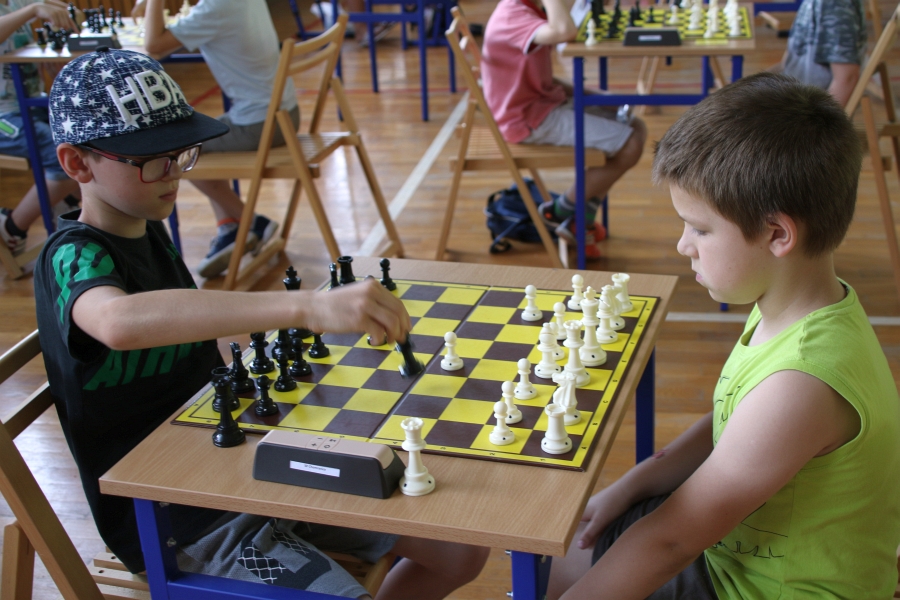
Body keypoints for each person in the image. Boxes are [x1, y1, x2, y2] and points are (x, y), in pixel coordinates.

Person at [35, 47, 488, 598]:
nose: (175, 174)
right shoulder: (73, 255)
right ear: (78, 164)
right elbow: (117, 322)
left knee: (462, 548)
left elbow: (187, 335)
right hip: (177, 514)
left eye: (181, 154)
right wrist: (305, 308)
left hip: (244, 461)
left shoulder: (147, 228)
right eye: (152, 161)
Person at [547, 72, 900, 600]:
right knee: (563, 554)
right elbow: (733, 423)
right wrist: (630, 486)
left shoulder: (801, 382)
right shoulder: (795, 303)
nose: (682, 245)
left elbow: (672, 542)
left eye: (700, 229)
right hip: (731, 556)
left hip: (765, 589)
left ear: (777, 234)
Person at [132, 0, 300, 279]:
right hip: (284, 114)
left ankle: (252, 222)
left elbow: (153, 45)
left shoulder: (216, 8)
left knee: (180, 150)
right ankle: (230, 227)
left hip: (261, 124)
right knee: (199, 135)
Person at [480, 0, 647, 259]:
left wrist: (599, 97)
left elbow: (546, 80)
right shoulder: (512, 15)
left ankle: (579, 219)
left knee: (635, 125)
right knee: (629, 144)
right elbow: (565, 31)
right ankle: (560, 210)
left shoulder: (526, 10)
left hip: (542, 106)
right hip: (526, 120)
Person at [0, 0, 81, 256]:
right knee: (60, 155)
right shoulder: (27, 7)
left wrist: (68, 16)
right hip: (4, 115)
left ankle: (64, 204)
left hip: (32, 103)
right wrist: (33, 10)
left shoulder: (19, 3)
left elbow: (72, 17)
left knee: (85, 137)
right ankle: (13, 226)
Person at [772, 0, 865, 107]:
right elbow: (787, 64)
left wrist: (818, 117)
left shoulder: (834, 5)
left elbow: (847, 78)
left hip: (806, 106)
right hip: (791, 95)